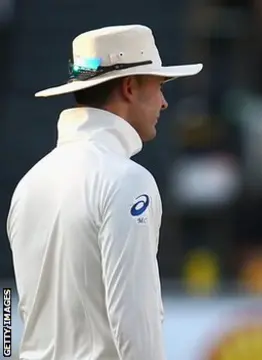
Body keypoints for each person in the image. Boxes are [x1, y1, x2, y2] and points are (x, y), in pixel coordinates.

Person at [6, 25, 202, 360]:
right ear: (129, 87)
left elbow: (21, 316)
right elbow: (134, 324)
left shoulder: (29, 184)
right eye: (159, 86)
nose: (165, 102)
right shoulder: (127, 181)